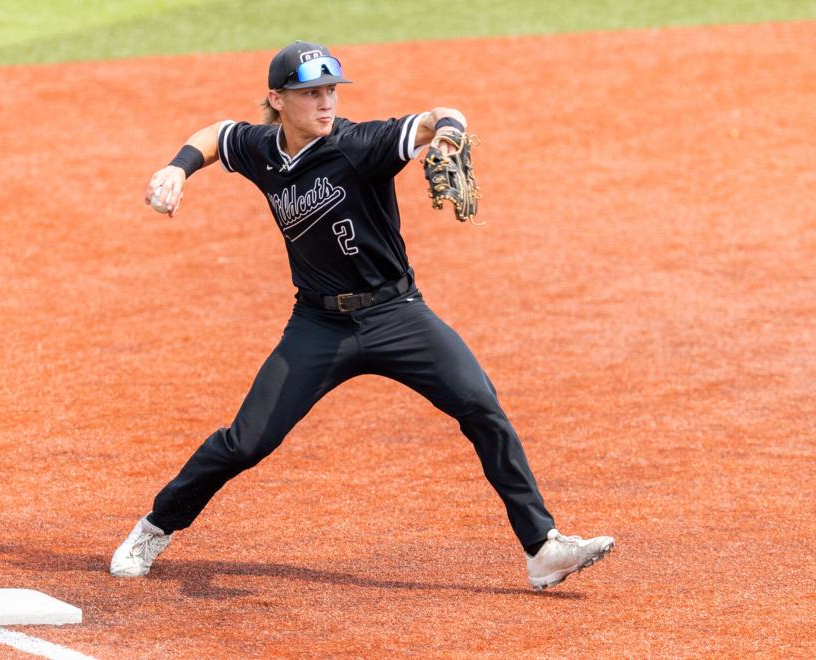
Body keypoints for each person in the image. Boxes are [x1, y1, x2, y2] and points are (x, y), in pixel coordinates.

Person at [111, 41, 613, 590]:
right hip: (318, 326)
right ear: (277, 100)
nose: (326, 103)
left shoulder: (361, 144)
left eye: (331, 90)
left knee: (480, 405)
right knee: (247, 442)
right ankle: (154, 528)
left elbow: (440, 116)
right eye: (310, 93)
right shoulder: (262, 149)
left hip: (398, 314)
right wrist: (177, 168)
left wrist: (446, 136)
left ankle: (542, 549)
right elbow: (216, 135)